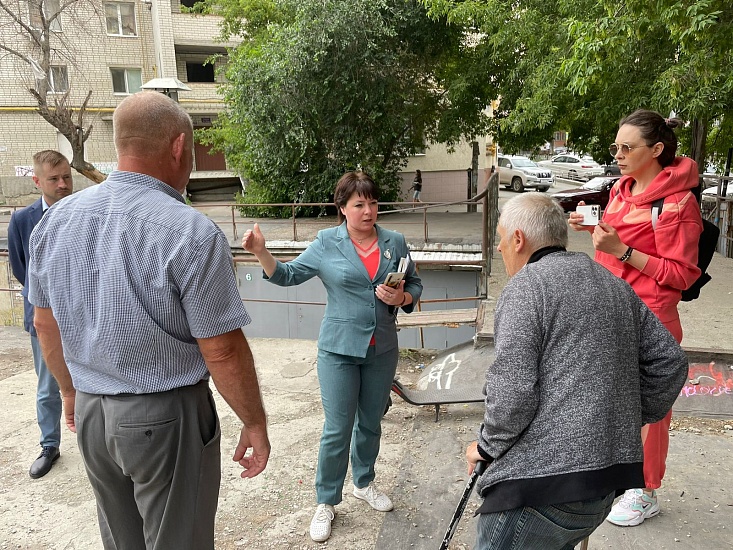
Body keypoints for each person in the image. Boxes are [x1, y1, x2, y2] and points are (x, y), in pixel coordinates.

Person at [27, 91, 270, 550]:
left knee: (122, 542)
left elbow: (45, 325)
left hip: (94, 414)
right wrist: (253, 422)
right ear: (178, 147)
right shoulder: (190, 231)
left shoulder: (55, 222)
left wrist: (69, 391)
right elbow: (220, 347)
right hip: (166, 417)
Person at [466, 193, 689, 549]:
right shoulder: (613, 284)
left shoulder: (526, 287)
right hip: (603, 487)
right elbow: (671, 362)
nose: (499, 249)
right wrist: (626, 417)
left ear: (519, 239)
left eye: (501, 239)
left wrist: (485, 447)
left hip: (540, 490)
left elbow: (513, 393)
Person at [242, 171, 423, 543]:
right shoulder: (327, 242)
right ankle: (326, 501)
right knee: (337, 428)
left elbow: (415, 284)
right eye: (359, 204)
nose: (369, 210)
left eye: (373, 202)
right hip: (338, 350)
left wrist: (402, 298)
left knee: (371, 422)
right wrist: (262, 252)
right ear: (342, 209)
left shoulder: (395, 241)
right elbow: (288, 275)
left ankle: (364, 482)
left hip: (382, 348)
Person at [569, 109, 703, 527]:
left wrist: (624, 249)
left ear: (657, 150)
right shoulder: (621, 190)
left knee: (651, 408)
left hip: (652, 320)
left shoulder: (678, 203)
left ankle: (646, 491)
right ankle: (619, 478)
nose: (619, 155)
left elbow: (681, 275)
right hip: (610, 311)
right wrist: (592, 232)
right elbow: (611, 248)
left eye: (628, 148)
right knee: (612, 399)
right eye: (616, 147)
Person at [8, 150, 72, 479]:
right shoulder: (22, 220)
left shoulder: (85, 212)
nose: (63, 184)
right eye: (54, 179)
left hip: (84, 313)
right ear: (37, 181)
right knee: (49, 386)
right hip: (43, 318)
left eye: (67, 177)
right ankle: (50, 444)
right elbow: (21, 268)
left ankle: (97, 440)